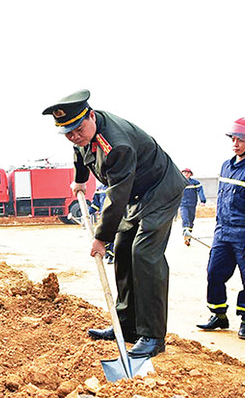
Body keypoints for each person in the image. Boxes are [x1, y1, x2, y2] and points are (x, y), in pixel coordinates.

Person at [42, 89, 187, 358]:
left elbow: (117, 196)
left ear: (91, 116)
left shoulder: (117, 144)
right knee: (122, 250)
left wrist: (100, 238)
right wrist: (80, 179)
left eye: (78, 130)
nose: (75, 136)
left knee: (144, 254)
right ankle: (126, 326)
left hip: (160, 190)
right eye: (68, 133)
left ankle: (153, 336)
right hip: (137, 193)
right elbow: (80, 151)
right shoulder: (83, 133)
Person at [197, 118, 245, 341]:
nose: (235, 144)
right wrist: (218, 229)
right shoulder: (225, 167)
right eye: (233, 139)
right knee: (214, 273)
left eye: (241, 140)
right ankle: (219, 315)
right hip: (223, 233)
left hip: (244, 235)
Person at [180, 168, 206, 245]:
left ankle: (188, 237)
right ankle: (185, 233)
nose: (186, 174)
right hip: (183, 204)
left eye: (188, 173)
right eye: (185, 172)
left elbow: (200, 191)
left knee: (191, 221)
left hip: (192, 204)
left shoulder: (195, 183)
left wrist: (202, 201)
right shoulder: (179, 182)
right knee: (185, 218)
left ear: (190, 174)